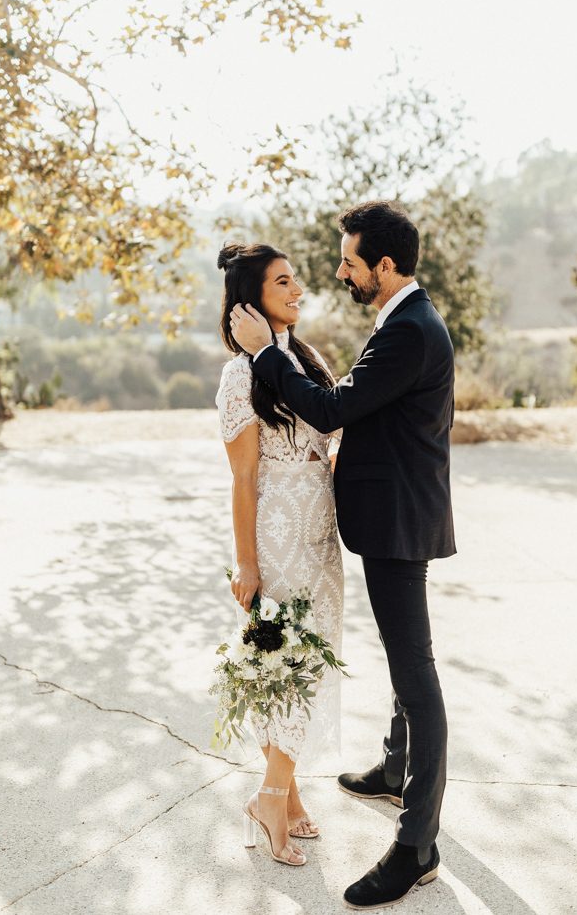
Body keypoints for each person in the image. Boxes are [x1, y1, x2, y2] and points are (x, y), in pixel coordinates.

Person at [229, 200, 455, 908]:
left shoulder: (408, 331)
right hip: (339, 527)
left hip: (392, 524)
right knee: (385, 658)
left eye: (350, 263)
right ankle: (395, 769)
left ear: (385, 266)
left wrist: (268, 351)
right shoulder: (399, 323)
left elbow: (331, 412)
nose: (338, 275)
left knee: (414, 673)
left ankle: (417, 843)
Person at [215, 242, 344, 868]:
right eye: (283, 282)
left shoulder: (309, 360)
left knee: (306, 662)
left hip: (322, 535)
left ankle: (287, 796)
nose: (298, 291)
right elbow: (242, 479)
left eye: (296, 281)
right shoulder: (240, 376)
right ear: (252, 301)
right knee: (294, 662)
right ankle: (270, 797)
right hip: (280, 535)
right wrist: (248, 564)